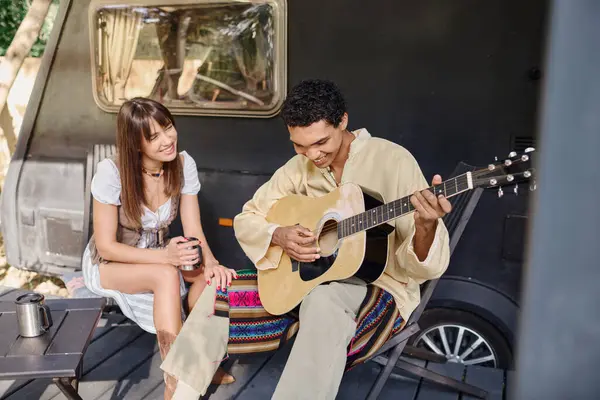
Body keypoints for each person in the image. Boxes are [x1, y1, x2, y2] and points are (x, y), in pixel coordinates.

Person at [159, 79, 452, 399]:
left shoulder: (393, 161)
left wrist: (425, 226)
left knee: (324, 301)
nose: (312, 154)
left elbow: (424, 268)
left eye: (321, 142)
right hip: (307, 279)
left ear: (343, 121)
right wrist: (278, 234)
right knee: (221, 293)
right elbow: (248, 218)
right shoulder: (298, 168)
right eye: (299, 145)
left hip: (380, 288)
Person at [81, 97, 237, 400]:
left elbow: (193, 230)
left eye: (167, 128)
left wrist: (213, 263)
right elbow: (106, 246)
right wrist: (164, 256)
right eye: (153, 136)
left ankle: (200, 363)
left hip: (160, 252)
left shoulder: (182, 163)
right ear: (135, 143)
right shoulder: (112, 173)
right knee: (166, 275)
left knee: (208, 279)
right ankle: (175, 379)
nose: (167, 140)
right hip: (111, 262)